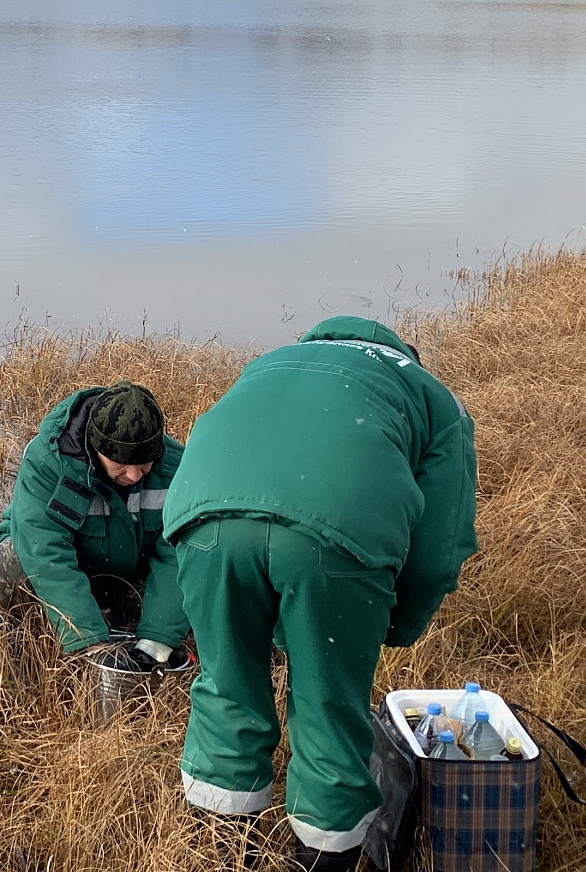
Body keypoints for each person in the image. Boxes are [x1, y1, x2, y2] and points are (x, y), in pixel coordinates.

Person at [162, 317, 478, 872]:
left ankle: (222, 855)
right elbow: (437, 550)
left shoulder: (269, 360)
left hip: (202, 519)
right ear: (406, 355)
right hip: (333, 536)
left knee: (227, 686)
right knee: (328, 707)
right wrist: (392, 626)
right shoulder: (431, 396)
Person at [0, 381, 189, 673]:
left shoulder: (176, 467)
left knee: (206, 579)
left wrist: (157, 642)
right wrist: (90, 643)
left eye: (145, 464)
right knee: (12, 560)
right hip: (66, 565)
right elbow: (46, 553)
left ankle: (121, 618)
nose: (133, 475)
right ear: (96, 446)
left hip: (129, 569)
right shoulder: (48, 463)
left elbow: (178, 554)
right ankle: (18, 628)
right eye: (121, 463)